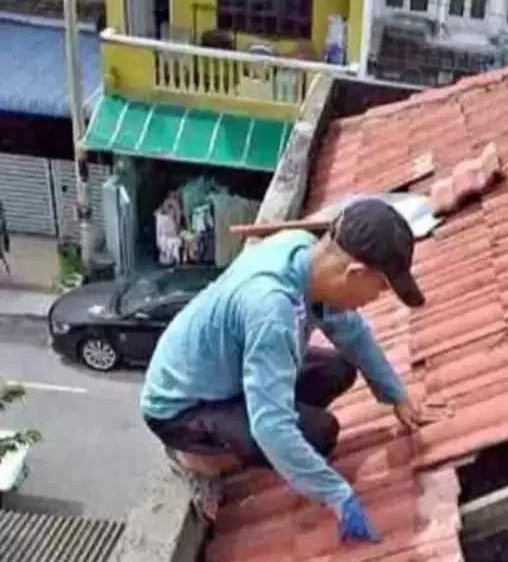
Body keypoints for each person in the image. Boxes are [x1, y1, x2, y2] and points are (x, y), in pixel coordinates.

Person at [140, 197, 437, 541]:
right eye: (381, 288)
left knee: (340, 369)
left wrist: (396, 395)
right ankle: (196, 459)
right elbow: (271, 426)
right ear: (353, 272)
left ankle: (248, 429)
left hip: (224, 371)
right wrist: (336, 494)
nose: (377, 298)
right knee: (319, 435)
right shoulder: (272, 310)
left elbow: (352, 333)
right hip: (181, 407)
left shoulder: (303, 250)